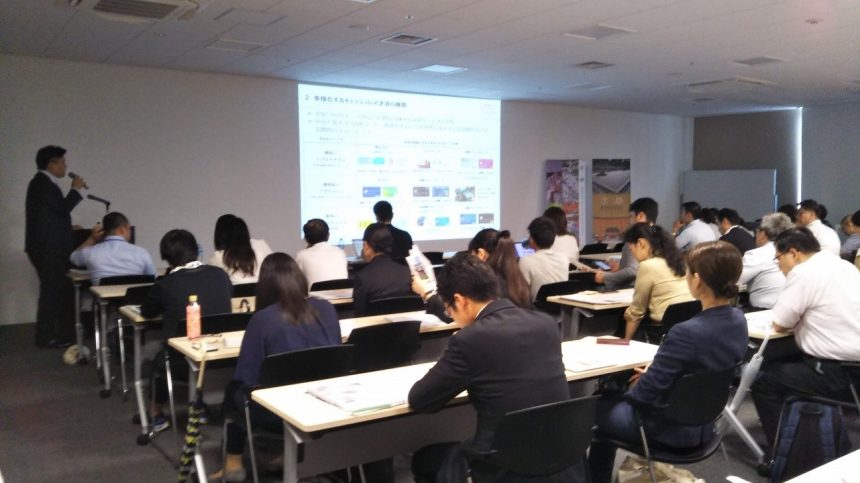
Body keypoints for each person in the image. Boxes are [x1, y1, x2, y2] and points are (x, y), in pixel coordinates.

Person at [409, 253, 581, 483]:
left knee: (424, 459)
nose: (451, 315)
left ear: (460, 300)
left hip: (502, 466)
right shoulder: (545, 323)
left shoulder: (469, 339)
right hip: (557, 456)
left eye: (449, 309)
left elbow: (420, 399)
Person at [589, 241, 748, 483]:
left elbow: (641, 396)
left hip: (667, 429)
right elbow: (702, 372)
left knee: (589, 411)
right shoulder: (738, 319)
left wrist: (641, 382)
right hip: (705, 425)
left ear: (696, 280)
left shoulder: (686, 332)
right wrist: (657, 376)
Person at [211, 253, 341, 482]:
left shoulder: (262, 319)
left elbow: (247, 377)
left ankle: (233, 462)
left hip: (279, 412)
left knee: (233, 389)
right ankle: (288, 453)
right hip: (326, 403)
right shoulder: (326, 308)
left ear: (265, 286)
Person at [751, 228, 860, 447]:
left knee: (764, 381)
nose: (779, 266)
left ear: (793, 253)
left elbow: (781, 322)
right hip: (853, 368)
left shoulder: (803, 273)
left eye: (778, 259)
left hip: (837, 373)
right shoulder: (845, 266)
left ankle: (784, 450)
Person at [141, 229, 232, 431]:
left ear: (166, 257)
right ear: (196, 250)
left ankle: (156, 413)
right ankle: (200, 404)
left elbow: (147, 311)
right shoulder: (220, 275)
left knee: (160, 360)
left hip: (184, 362)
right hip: (222, 360)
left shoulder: (166, 284)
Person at [25, 145, 87, 348]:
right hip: (47, 249)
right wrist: (75, 189)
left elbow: (49, 216)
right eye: (62, 163)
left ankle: (55, 334)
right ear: (51, 164)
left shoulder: (43, 184)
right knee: (51, 292)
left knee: (55, 291)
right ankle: (46, 337)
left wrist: (67, 227)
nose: (65, 166)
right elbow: (62, 208)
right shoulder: (43, 184)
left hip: (46, 247)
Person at [414, 229, 532, 319]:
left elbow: (458, 315)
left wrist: (427, 294)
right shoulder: (518, 281)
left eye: (471, 255)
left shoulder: (488, 285)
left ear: (481, 254)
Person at [622, 223, 693, 340]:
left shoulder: (648, 265)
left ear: (641, 243)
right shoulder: (679, 262)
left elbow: (637, 311)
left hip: (663, 332)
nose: (633, 255)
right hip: (688, 329)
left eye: (631, 249)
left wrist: (626, 341)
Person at [69, 211, 156, 284]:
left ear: (104, 231)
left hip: (104, 298)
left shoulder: (90, 252)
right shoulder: (142, 252)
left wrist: (92, 239)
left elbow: (73, 258)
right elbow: (152, 278)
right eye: (128, 228)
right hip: (134, 298)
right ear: (123, 229)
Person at [593, 197, 658, 290]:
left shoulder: (636, 236)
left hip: (632, 289)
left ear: (640, 216)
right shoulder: (658, 233)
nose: (630, 221)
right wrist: (621, 267)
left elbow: (632, 270)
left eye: (631, 217)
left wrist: (606, 277)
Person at [352, 223, 412, 316]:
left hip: (373, 325)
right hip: (406, 324)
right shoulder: (407, 272)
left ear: (366, 246)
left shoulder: (362, 277)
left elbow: (359, 314)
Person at [737, 213, 794, 309]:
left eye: (756, 231)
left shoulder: (758, 254)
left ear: (762, 234)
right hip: (790, 307)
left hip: (764, 310)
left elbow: (735, 279)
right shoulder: (793, 251)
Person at [208, 214, 272, 284]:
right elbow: (275, 269)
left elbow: (211, 280)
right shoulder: (259, 247)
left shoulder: (218, 256)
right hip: (264, 289)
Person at [518, 216, 569, 301]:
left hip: (536, 308)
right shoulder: (563, 258)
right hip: (561, 307)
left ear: (531, 239)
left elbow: (522, 295)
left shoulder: (526, 261)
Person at [295, 218, 348, 287]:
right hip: (344, 294)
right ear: (328, 235)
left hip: (315, 294)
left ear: (305, 238)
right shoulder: (340, 252)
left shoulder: (301, 255)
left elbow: (296, 281)